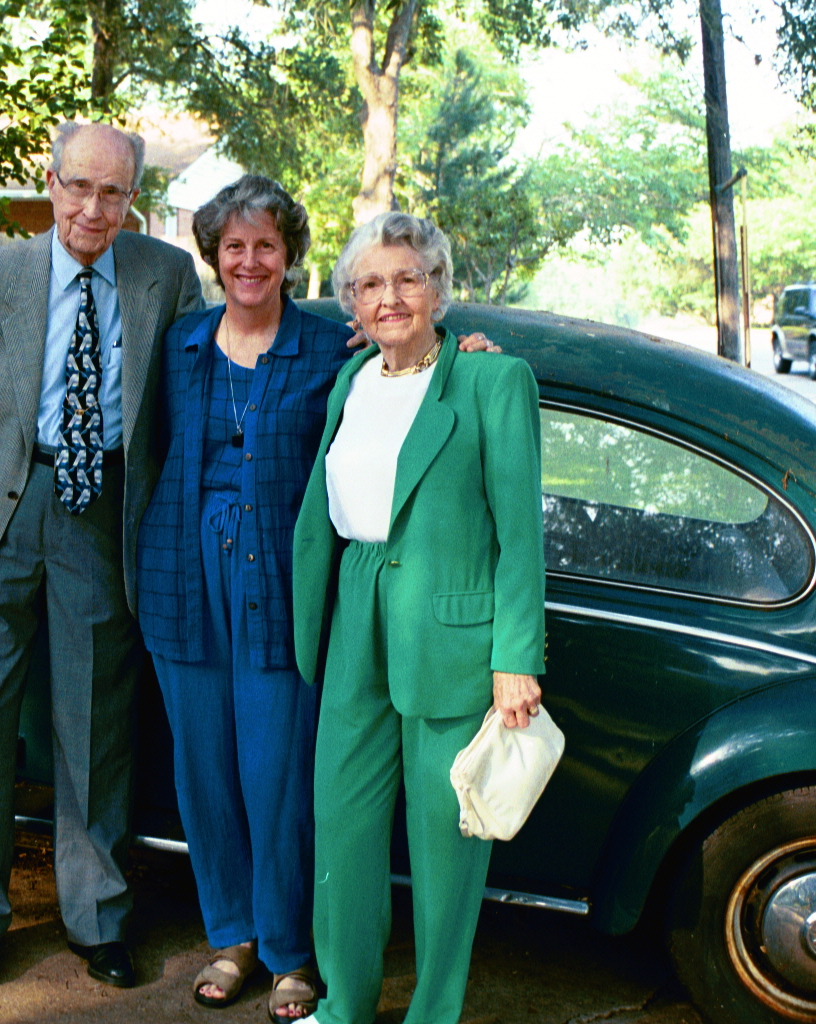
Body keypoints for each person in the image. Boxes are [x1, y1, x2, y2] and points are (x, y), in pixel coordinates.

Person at [137, 180, 500, 1020]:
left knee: (279, 777)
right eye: (234, 246)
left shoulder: (331, 349)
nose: (249, 262)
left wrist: (472, 350)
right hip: (183, 578)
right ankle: (229, 935)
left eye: (266, 245)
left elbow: (413, 368)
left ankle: (288, 951)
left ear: (289, 255)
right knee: (204, 774)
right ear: (213, 256)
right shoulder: (180, 345)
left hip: (281, 586)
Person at [0, 121, 204, 991]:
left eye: (112, 193)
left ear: (132, 199)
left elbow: (217, 369)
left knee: (94, 725)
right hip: (2, 511)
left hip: (103, 513)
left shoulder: (166, 275)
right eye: (78, 186)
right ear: (51, 184)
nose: (92, 208)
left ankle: (97, 915)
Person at [290, 211, 546, 1024]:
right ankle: (344, 1007)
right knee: (342, 828)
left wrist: (516, 657)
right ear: (352, 304)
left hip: (452, 635)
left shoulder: (492, 380)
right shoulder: (350, 381)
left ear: (438, 288)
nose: (390, 297)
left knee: (445, 846)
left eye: (408, 278)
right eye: (371, 284)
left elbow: (519, 535)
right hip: (355, 617)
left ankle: (432, 1015)